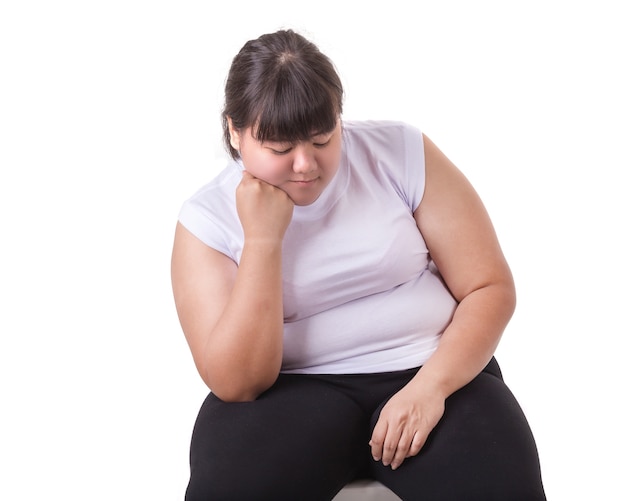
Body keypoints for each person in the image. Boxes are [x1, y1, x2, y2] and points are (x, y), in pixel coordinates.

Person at [171, 29, 546, 501]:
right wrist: (264, 239)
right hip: (288, 391)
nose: (305, 164)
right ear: (235, 132)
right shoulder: (207, 218)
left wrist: (430, 389)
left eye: (322, 140)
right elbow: (239, 382)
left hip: (428, 368)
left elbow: (488, 287)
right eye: (281, 150)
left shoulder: (399, 153)